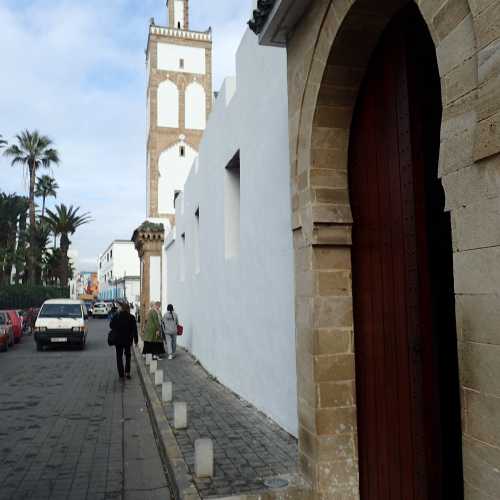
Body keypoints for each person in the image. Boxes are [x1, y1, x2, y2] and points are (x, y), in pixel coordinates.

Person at [110, 302, 138, 380]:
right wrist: (136, 341)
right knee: (128, 356)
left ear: (121, 308)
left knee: (119, 357)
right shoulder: (131, 317)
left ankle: (121, 374)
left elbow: (111, 325)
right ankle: (127, 372)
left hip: (118, 340)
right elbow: (135, 330)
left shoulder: (117, 316)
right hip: (128, 340)